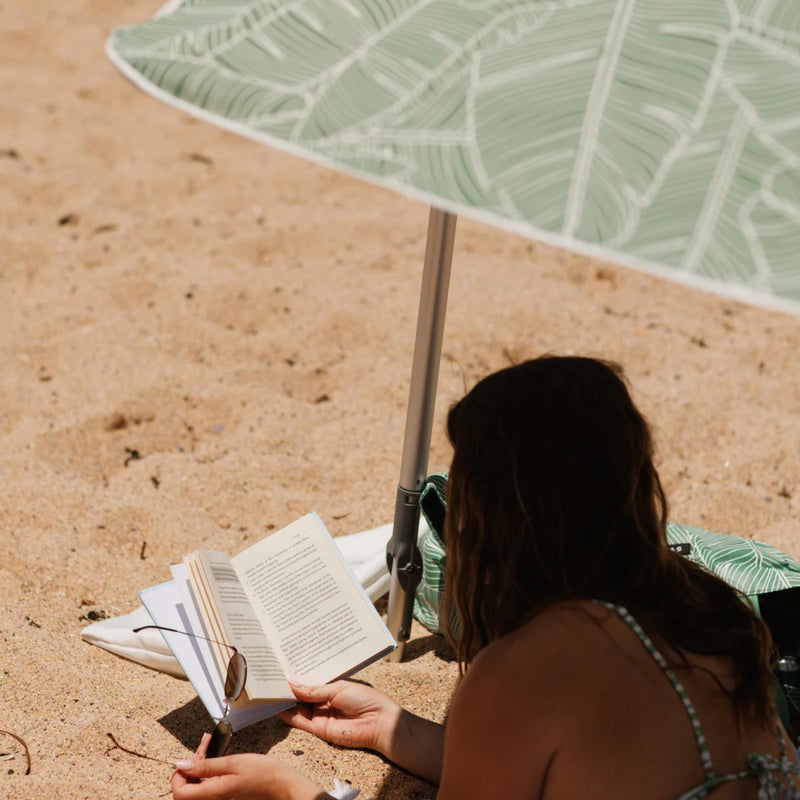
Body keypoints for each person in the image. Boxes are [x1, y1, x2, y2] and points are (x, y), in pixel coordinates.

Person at [171, 355, 800, 799]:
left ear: (497, 521)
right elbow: (597, 763)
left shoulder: (526, 673)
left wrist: (292, 791)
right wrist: (398, 730)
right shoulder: (710, 608)